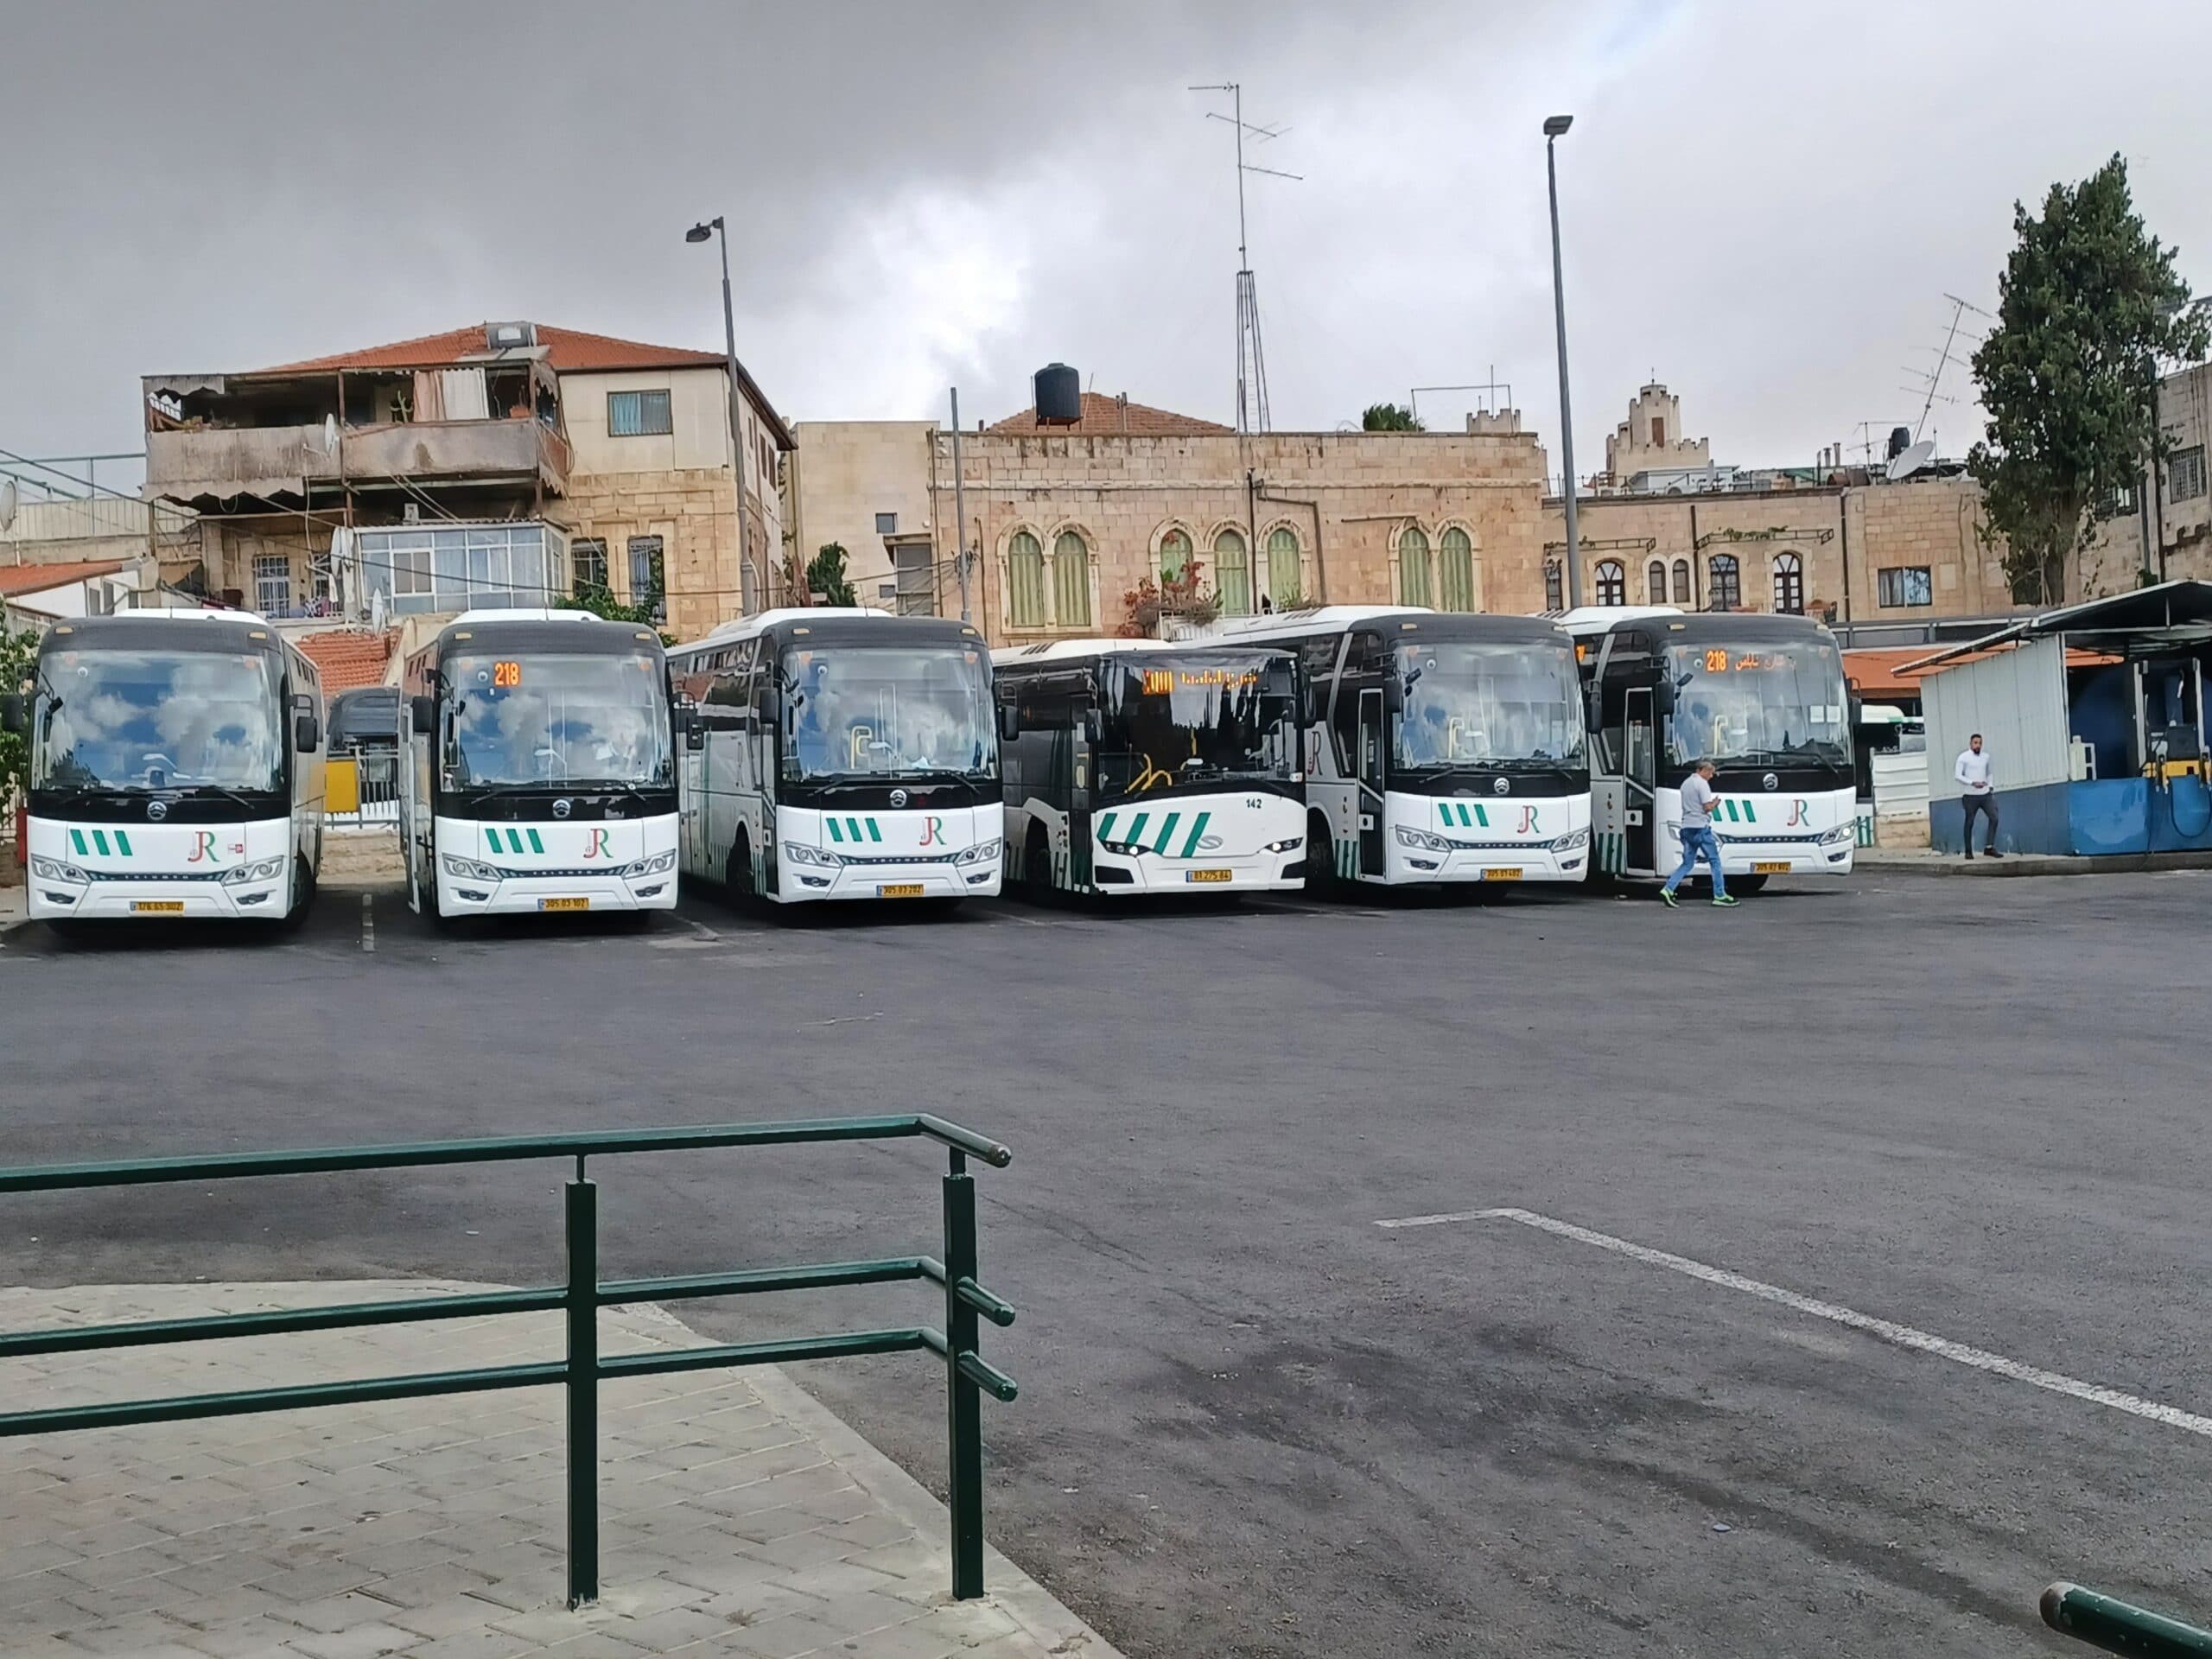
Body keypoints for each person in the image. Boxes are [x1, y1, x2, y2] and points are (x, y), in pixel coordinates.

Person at [1662, 759, 1737, 907]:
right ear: (1703, 770)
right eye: (1711, 773)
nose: (1711, 776)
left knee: (1688, 863)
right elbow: (1707, 807)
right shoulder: (1702, 784)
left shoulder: (1686, 783)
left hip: (1686, 828)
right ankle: (1720, 894)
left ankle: (1668, 888)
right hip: (1700, 827)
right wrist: (1715, 803)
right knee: (1715, 860)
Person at [1955, 732, 2001, 859]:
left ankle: (1989, 847)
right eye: (1975, 743)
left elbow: (1989, 773)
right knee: (1969, 822)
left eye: (1980, 743)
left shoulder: (1986, 757)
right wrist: (1972, 783)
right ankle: (1969, 851)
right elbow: (1958, 776)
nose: (1978, 745)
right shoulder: (1963, 757)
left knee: (1994, 817)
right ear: (1970, 744)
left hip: (1985, 794)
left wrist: (1990, 785)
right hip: (1970, 795)